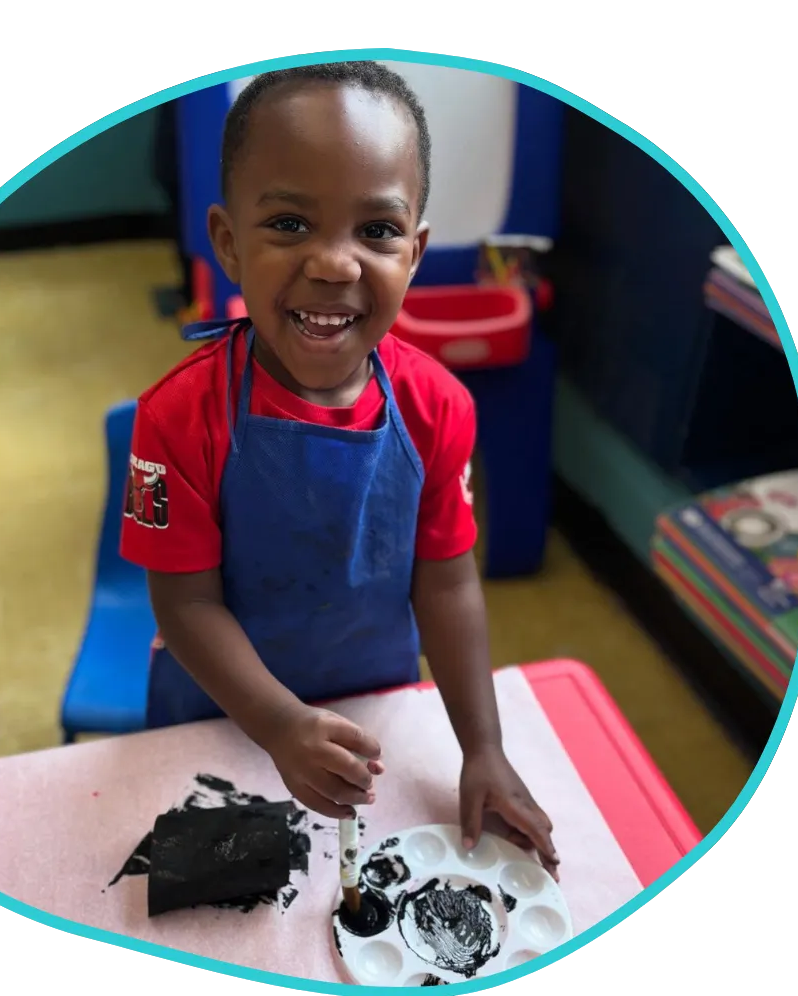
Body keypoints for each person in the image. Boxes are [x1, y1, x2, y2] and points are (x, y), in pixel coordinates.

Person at [121, 62, 559, 878]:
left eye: (377, 230)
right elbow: (184, 604)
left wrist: (484, 749)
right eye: (289, 224)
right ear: (228, 242)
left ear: (415, 252)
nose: (334, 264)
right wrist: (278, 725)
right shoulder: (176, 417)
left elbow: (448, 585)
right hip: (217, 716)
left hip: (372, 714)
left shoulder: (439, 407)